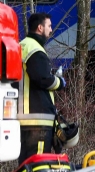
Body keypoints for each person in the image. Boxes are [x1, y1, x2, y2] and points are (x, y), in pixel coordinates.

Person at [15, 13, 66, 164]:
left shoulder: (22, 46)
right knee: (37, 163)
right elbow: (42, 78)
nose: (51, 30)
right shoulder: (35, 49)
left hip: (24, 117)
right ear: (40, 27)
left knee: (25, 165)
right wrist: (60, 82)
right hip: (37, 119)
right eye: (49, 26)